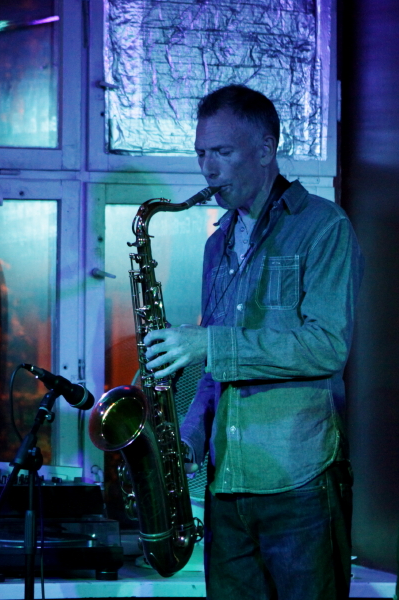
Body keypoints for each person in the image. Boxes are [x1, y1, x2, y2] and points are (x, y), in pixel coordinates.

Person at [144, 85, 364, 599]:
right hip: (226, 487)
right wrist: (189, 437)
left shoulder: (323, 226)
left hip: (299, 482)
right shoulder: (216, 244)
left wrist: (210, 344)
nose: (208, 169)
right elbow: (214, 366)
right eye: (201, 153)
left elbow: (327, 345)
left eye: (222, 152)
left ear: (266, 150)